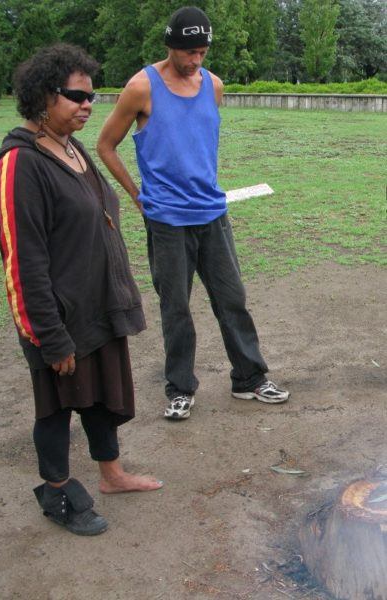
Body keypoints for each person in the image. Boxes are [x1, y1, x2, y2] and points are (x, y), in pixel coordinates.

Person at [0, 43, 163, 537]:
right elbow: (21, 261)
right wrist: (50, 335)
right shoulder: (19, 163)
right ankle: (58, 491)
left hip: (98, 307)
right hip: (58, 317)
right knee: (57, 403)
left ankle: (112, 475)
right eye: (76, 96)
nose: (88, 105)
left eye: (92, 96)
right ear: (44, 97)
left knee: (100, 395)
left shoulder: (70, 145)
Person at [97, 6, 290, 421]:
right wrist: (136, 195)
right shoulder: (140, 88)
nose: (196, 61)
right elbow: (105, 145)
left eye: (202, 52)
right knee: (176, 308)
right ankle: (180, 388)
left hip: (212, 214)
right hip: (167, 220)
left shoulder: (214, 86)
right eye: (190, 53)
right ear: (171, 47)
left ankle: (250, 379)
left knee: (232, 299)